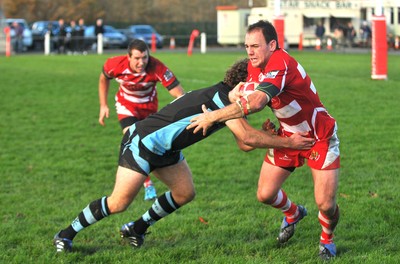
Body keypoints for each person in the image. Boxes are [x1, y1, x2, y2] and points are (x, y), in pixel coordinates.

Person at [53, 58, 314, 253]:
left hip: (166, 149)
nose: (260, 96)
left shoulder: (228, 104)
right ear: (243, 85)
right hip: (142, 143)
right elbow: (247, 139)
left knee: (184, 193)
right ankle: (65, 234)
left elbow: (245, 144)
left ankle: (137, 228)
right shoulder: (220, 98)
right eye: (256, 88)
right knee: (119, 202)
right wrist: (289, 142)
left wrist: (263, 133)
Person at [187, 20, 340, 261]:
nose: (249, 51)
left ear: (272, 45)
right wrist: (261, 130)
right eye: (247, 46)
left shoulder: (280, 61)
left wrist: (214, 116)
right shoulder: (252, 68)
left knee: (325, 204)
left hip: (318, 136)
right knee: (265, 194)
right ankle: (293, 213)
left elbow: (257, 102)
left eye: (255, 46)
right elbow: (244, 140)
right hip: (288, 135)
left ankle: (327, 239)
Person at [98, 39, 185, 201]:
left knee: (150, 145)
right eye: (137, 58)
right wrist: (103, 105)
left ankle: (161, 176)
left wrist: (184, 111)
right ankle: (148, 184)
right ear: (128, 57)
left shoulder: (157, 67)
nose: (141, 62)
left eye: (144, 57)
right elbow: (103, 79)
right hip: (126, 106)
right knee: (133, 138)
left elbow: (179, 93)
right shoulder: (115, 64)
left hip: (149, 108)